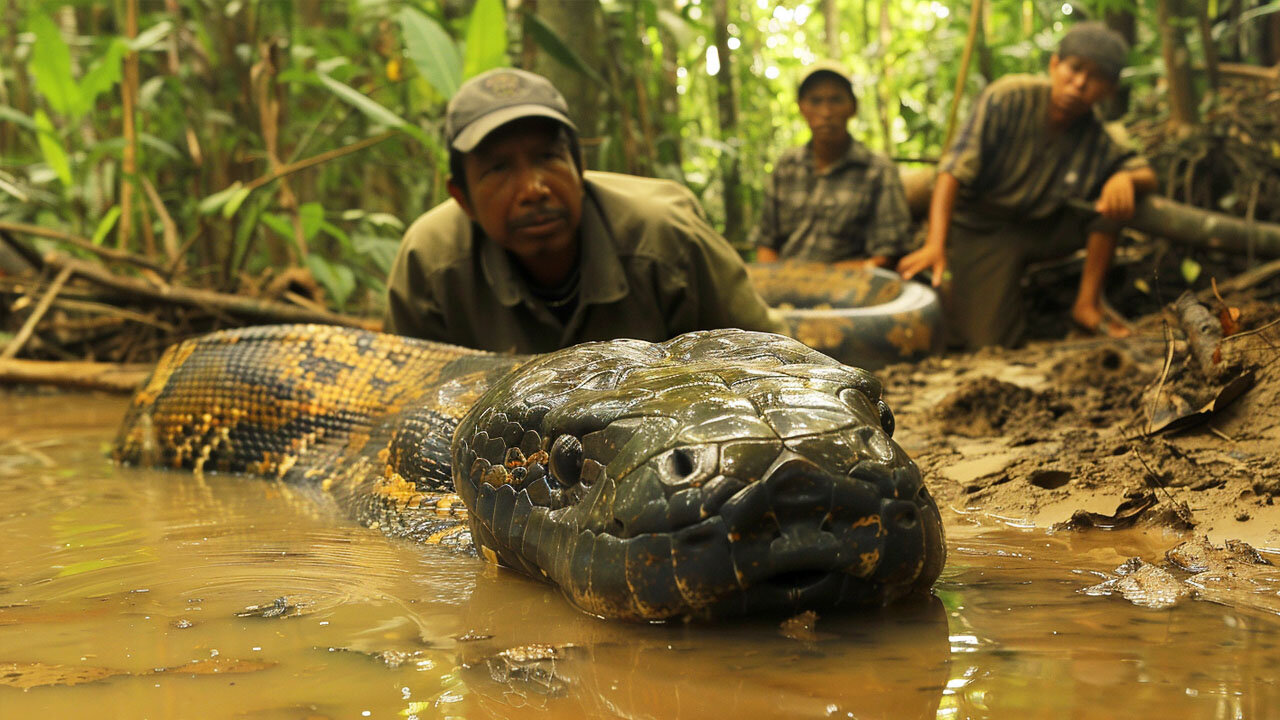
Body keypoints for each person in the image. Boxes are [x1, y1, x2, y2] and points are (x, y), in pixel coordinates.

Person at [384, 68, 783, 353]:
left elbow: (775, 361)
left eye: (548, 157)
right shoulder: (430, 262)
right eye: (498, 169)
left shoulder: (665, 237)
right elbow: (409, 405)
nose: (533, 189)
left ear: (580, 167)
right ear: (462, 197)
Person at [897, 22, 1158, 349]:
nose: (1079, 84)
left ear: (1108, 90)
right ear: (1054, 65)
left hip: (1040, 226)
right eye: (1074, 69)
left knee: (1111, 205)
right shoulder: (1009, 97)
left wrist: (1124, 178)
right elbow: (951, 173)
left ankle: (1087, 304)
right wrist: (935, 244)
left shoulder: (1098, 138)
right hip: (981, 227)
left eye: (1095, 79)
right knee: (990, 344)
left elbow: (1146, 173)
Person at [750, 60, 912, 268]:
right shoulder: (786, 166)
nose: (826, 113)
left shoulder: (877, 170)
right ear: (801, 107)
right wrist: (773, 283)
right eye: (815, 101)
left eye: (836, 100)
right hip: (785, 287)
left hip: (853, 290)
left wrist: (820, 280)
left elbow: (886, 255)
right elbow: (766, 242)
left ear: (852, 107)